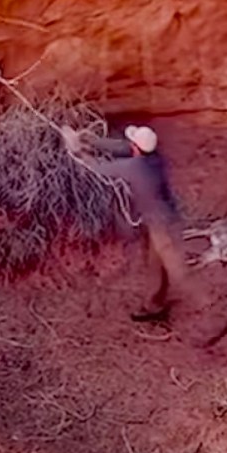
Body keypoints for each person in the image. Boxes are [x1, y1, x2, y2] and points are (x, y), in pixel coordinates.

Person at [61, 122, 199, 323]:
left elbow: (97, 168)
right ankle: (154, 307)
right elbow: (121, 147)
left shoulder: (134, 167)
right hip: (161, 222)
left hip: (163, 226)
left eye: (132, 143)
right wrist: (90, 140)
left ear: (136, 148)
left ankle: (210, 310)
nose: (129, 145)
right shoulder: (152, 157)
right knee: (155, 265)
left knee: (179, 271)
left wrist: (77, 150)